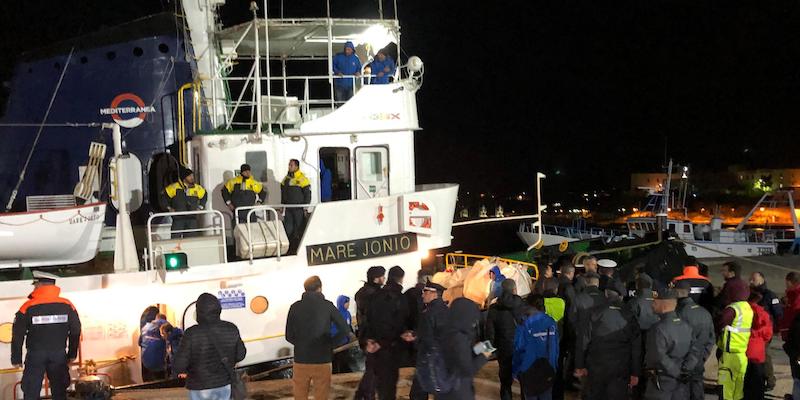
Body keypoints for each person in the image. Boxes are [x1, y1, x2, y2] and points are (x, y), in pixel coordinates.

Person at [11, 271, 81, 400]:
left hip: (35, 356)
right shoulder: (67, 305)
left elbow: (17, 334)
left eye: (35, 285)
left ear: (39, 286)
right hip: (59, 354)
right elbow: (76, 331)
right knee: (60, 391)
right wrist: (72, 354)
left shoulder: (27, 307)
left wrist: (16, 358)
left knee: (31, 390)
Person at [285, 276, 349, 400]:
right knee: (321, 395)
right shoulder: (328, 306)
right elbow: (344, 329)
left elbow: (288, 335)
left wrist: (301, 344)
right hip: (322, 359)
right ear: (320, 288)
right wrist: (330, 344)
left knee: (300, 395)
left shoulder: (295, 307)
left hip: (301, 359)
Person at [173, 293, 246, 400]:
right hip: (224, 384)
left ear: (199, 312)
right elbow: (241, 355)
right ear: (218, 310)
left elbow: (179, 365)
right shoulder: (231, 328)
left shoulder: (191, 333)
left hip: (199, 386)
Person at [574, 285, 641, 400]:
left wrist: (579, 365)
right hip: (620, 369)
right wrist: (635, 372)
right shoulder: (629, 315)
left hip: (596, 366)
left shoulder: (593, 312)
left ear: (605, 293)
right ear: (621, 296)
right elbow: (636, 347)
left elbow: (583, 340)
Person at [362, 266, 410, 400]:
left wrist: (369, 341)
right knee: (389, 388)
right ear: (401, 279)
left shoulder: (375, 296)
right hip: (390, 348)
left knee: (377, 384)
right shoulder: (399, 298)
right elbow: (398, 325)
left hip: (374, 347)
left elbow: (368, 320)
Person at [644, 288, 694, 400]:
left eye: (654, 302)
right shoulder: (686, 326)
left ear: (663, 304)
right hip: (682, 385)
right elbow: (694, 351)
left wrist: (676, 373)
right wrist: (685, 371)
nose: (652, 305)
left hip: (662, 383)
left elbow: (658, 356)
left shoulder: (658, 328)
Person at [437, 298, 490, 400]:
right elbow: (467, 369)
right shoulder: (459, 338)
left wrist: (478, 348)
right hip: (458, 391)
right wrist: (484, 354)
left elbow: (461, 356)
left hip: (445, 388)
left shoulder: (447, 330)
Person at [513, 294, 559, 400]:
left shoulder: (525, 323)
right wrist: (554, 365)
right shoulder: (551, 322)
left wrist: (515, 371)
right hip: (548, 368)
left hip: (528, 369)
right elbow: (556, 347)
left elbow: (518, 348)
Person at [674, 280, 715, 400]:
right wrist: (703, 356)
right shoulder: (704, 313)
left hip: (681, 364)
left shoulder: (677, 313)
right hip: (698, 362)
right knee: (697, 391)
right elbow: (711, 338)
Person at [486, 279, 525, 400]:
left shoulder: (493, 308)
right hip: (521, 347)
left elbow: (490, 333)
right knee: (524, 379)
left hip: (503, 349)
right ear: (514, 290)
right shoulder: (523, 305)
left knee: (505, 381)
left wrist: (486, 350)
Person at [409, 281, 448, 400]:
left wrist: (416, 340)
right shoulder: (447, 311)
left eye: (425, 292)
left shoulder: (428, 314)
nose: (422, 295)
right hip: (444, 358)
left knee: (417, 394)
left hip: (428, 359)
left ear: (434, 294)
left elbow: (427, 339)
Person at [715, 277, 753, 400]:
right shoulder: (747, 307)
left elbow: (719, 323)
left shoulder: (732, 309)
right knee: (738, 389)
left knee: (725, 389)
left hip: (729, 355)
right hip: (742, 354)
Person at [355, 266, 385, 400]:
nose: (384, 278)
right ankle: (368, 396)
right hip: (372, 338)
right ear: (375, 278)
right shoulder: (375, 294)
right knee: (374, 370)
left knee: (372, 369)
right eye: (382, 276)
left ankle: (360, 395)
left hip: (366, 336)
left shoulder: (361, 293)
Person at [749, 271, 781, 391]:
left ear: (761, 280)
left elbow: (778, 313)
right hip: (751, 332)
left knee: (764, 355)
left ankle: (769, 380)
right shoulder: (749, 294)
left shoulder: (770, 295)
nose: (751, 281)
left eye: (753, 279)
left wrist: (776, 329)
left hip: (764, 332)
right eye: (750, 279)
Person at [159, 168, 207, 237]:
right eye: (189, 176)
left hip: (192, 219)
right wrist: (169, 208)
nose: (192, 178)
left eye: (192, 176)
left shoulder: (197, 188)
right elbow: (163, 197)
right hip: (178, 219)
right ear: (184, 178)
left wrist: (200, 206)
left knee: (191, 240)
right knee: (175, 240)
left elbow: (204, 195)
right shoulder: (174, 187)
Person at [743, 291, 772, 400]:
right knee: (758, 381)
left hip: (744, 349)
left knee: (745, 381)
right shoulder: (763, 314)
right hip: (758, 351)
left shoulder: (743, 311)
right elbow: (768, 335)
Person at [280, 159, 311, 248]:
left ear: (296, 167)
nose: (289, 167)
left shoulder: (302, 179)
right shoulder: (286, 179)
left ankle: (300, 247)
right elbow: (283, 193)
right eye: (289, 165)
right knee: (288, 229)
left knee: (299, 228)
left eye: (291, 165)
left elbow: (307, 194)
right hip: (289, 208)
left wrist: (305, 207)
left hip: (299, 209)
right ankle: (290, 248)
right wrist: (282, 205)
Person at [332, 295, 357, 373]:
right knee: (337, 361)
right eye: (347, 303)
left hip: (346, 342)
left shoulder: (347, 314)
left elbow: (348, 326)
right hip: (338, 342)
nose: (348, 304)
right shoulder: (336, 314)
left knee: (345, 360)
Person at [140, 313, 169, 381]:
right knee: (161, 382)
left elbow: (139, 343)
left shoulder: (145, 327)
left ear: (156, 318)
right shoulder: (165, 326)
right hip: (159, 363)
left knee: (149, 382)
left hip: (145, 361)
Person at [782, 306, 800, 400]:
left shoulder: (797, 319)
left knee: (798, 379)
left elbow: (790, 339)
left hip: (797, 356)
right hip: (797, 356)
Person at [781, 272, 800, 340]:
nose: (786, 285)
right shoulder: (790, 294)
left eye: (787, 283)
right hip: (789, 330)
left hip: (793, 331)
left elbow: (793, 312)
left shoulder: (796, 296)